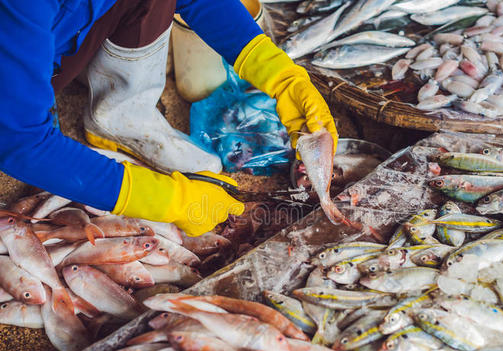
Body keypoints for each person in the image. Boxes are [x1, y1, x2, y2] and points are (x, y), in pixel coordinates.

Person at [0, 0, 338, 236]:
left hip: (51, 31)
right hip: (16, 61)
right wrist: (171, 202)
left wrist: (280, 75)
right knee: (26, 122)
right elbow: (20, 139)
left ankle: (121, 116)